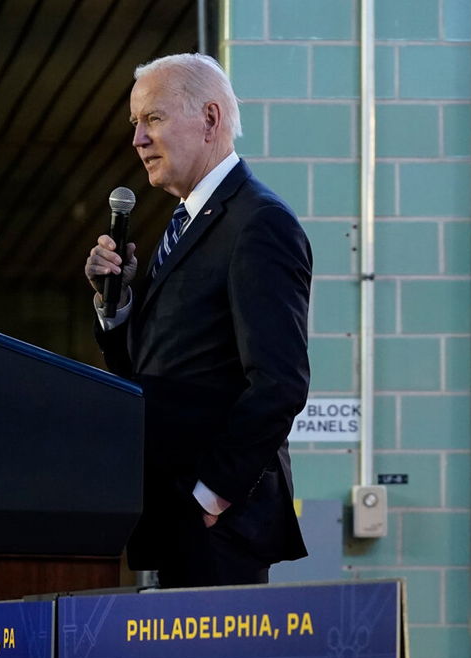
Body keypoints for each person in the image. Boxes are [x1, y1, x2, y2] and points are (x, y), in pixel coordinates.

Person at [83, 53, 311, 588]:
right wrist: (115, 309)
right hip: (176, 513)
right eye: (135, 124)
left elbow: (280, 382)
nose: (138, 139)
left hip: (218, 522)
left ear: (209, 119)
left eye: (153, 119)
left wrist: (211, 495)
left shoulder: (259, 222)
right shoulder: (184, 223)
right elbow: (150, 374)